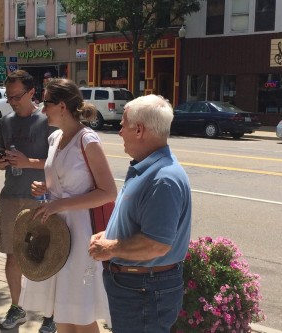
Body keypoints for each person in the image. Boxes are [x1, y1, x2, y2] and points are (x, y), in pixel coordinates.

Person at [20, 78, 118, 333]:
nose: (42, 109)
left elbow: (108, 192)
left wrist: (59, 203)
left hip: (81, 233)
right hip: (56, 233)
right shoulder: (54, 138)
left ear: (62, 106)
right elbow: (61, 183)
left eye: (46, 103)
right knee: (62, 314)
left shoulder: (87, 140)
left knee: (81, 316)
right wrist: (48, 190)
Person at [88, 94, 192, 333]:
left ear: (139, 130)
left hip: (144, 289)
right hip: (139, 286)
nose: (119, 131)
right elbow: (141, 224)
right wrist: (109, 234)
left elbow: (157, 244)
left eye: (123, 125)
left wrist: (111, 248)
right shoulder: (147, 166)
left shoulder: (162, 179)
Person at [0, 69, 57, 332]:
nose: (12, 101)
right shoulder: (5, 122)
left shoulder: (48, 121)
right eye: (8, 97)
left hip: (41, 198)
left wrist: (28, 161)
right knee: (12, 255)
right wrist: (1, 161)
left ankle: (51, 314)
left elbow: (61, 163)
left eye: (16, 96)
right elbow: (1, 158)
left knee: (46, 257)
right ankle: (16, 307)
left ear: (32, 92)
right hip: (11, 197)